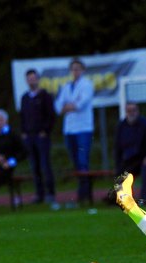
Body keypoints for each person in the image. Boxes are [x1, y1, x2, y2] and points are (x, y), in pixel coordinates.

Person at [54, 58, 95, 204]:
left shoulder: (87, 85)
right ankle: (83, 194)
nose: (75, 71)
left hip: (83, 128)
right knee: (76, 163)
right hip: (69, 130)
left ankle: (83, 195)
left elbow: (80, 104)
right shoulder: (66, 86)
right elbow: (58, 106)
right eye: (73, 68)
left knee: (83, 162)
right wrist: (68, 106)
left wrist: (69, 106)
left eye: (78, 68)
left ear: (82, 70)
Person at [20, 69, 57, 204]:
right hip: (29, 137)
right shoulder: (25, 97)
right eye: (29, 78)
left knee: (45, 165)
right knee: (34, 166)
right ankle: (39, 194)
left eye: (33, 78)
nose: (31, 81)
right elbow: (22, 116)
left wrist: (45, 131)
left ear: (38, 79)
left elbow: (51, 115)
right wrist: (23, 132)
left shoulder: (45, 95)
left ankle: (50, 193)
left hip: (41, 137)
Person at [114, 102, 146, 176]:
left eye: (133, 110)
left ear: (138, 111)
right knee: (119, 174)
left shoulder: (145, 124)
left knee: (145, 168)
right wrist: (118, 162)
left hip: (141, 159)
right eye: (129, 111)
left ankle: (145, 188)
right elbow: (117, 146)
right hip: (126, 159)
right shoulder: (121, 126)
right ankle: (119, 188)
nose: (131, 113)